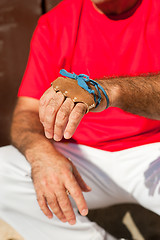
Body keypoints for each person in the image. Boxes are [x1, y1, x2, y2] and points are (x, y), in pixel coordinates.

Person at [0, 0, 160, 239]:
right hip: (81, 158)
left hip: (152, 152)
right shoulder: (56, 22)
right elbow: (27, 111)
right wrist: (42, 155)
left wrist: (111, 91)